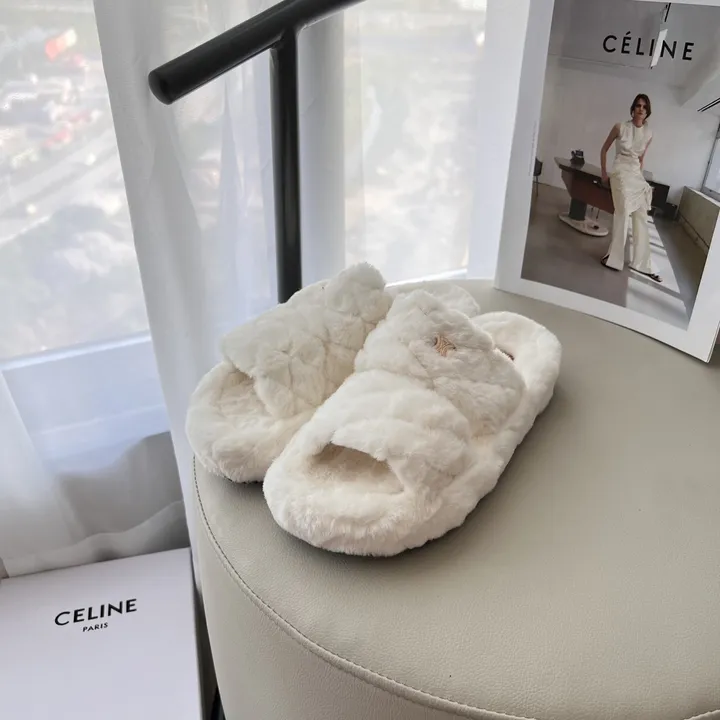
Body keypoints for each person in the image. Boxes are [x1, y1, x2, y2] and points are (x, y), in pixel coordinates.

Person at [599, 93, 661, 282]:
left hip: (635, 175)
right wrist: (604, 173)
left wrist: (639, 179)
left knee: (641, 215)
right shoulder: (620, 127)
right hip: (620, 172)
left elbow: (641, 159)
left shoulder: (649, 134)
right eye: (638, 105)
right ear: (633, 108)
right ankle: (613, 258)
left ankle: (642, 263)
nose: (641, 109)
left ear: (647, 112)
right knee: (623, 211)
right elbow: (604, 149)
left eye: (644, 107)